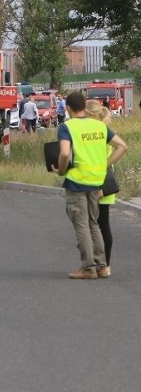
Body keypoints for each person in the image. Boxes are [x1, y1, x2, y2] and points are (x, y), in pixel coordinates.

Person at [52, 91, 127, 279]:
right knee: (94, 224)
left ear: (68, 108)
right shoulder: (99, 126)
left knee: (81, 224)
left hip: (77, 181)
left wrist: (61, 171)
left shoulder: (67, 126)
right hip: (96, 180)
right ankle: (102, 266)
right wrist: (105, 164)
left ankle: (87, 267)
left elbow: (63, 153)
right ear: (84, 106)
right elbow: (122, 146)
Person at [86, 99, 117, 277]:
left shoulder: (95, 131)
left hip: (97, 180)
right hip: (105, 179)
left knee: (93, 223)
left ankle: (98, 263)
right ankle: (105, 264)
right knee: (103, 223)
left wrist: (101, 165)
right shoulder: (104, 130)